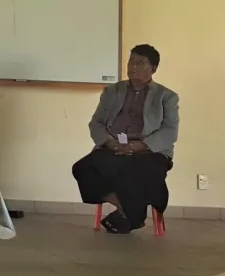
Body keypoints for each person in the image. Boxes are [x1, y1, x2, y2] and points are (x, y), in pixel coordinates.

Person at [72, 44, 179, 234]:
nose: (133, 67)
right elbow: (96, 123)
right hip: (113, 148)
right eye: (131, 62)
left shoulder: (167, 97)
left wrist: (138, 146)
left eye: (140, 63)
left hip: (148, 151)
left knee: (138, 169)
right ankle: (128, 210)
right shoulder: (112, 91)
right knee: (83, 168)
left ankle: (128, 214)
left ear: (153, 69)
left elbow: (170, 131)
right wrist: (110, 142)